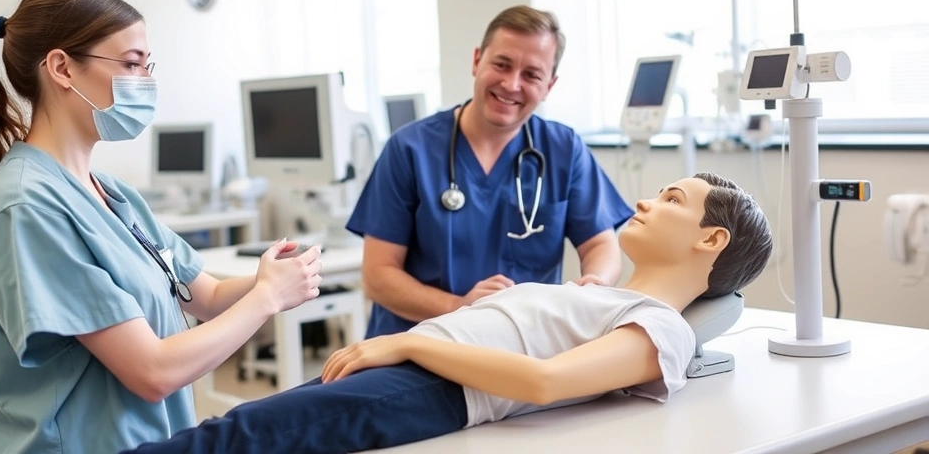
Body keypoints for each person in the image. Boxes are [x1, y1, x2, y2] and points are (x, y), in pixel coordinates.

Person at [0, 0, 324, 454]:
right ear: (61, 68)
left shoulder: (112, 194)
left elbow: (206, 296)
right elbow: (152, 371)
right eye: (131, 63)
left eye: (147, 66)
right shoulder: (24, 210)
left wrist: (274, 277)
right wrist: (266, 299)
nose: (144, 81)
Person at [124, 172, 773, 454]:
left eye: (670, 199)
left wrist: (405, 346)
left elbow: (545, 382)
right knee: (241, 432)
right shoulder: (603, 295)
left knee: (233, 439)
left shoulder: (661, 326)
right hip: (420, 371)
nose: (643, 200)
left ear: (709, 240)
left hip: (433, 386)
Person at [348, 5, 634, 337]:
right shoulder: (410, 149)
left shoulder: (563, 148)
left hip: (522, 345)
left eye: (531, 74)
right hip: (418, 344)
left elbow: (600, 244)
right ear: (476, 61)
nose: (512, 84)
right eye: (502, 64)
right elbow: (378, 275)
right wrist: (461, 307)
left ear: (549, 86)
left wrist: (594, 283)